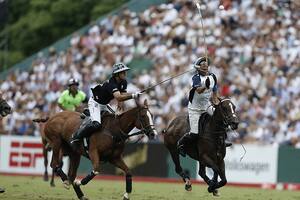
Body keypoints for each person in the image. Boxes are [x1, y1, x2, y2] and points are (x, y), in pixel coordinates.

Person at [70, 62, 141, 148]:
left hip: (104, 104)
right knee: (96, 124)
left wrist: (120, 106)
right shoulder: (111, 83)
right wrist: (134, 95)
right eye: (123, 72)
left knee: (116, 120)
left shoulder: (123, 82)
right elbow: (118, 97)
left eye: (125, 71)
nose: (125, 73)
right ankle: (76, 137)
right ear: (117, 74)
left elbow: (122, 96)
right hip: (95, 103)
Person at [177, 57, 229, 157]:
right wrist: (205, 85)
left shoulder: (213, 76)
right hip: (195, 109)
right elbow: (198, 90)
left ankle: (222, 141)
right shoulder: (195, 78)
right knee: (194, 133)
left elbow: (214, 91)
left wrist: (216, 102)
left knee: (221, 118)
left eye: (206, 66)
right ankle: (180, 144)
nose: (205, 67)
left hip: (206, 105)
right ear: (198, 68)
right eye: (203, 66)